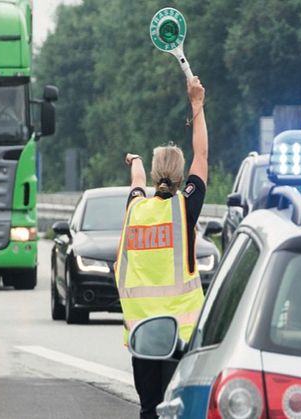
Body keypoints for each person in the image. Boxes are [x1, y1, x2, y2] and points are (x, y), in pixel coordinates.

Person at [115, 76, 207, 419]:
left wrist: (135, 160)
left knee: (149, 409)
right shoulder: (183, 209)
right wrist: (196, 105)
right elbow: (202, 153)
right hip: (181, 335)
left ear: (156, 176)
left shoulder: (136, 209)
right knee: (177, 409)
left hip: (142, 336)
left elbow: (137, 182)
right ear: (181, 178)